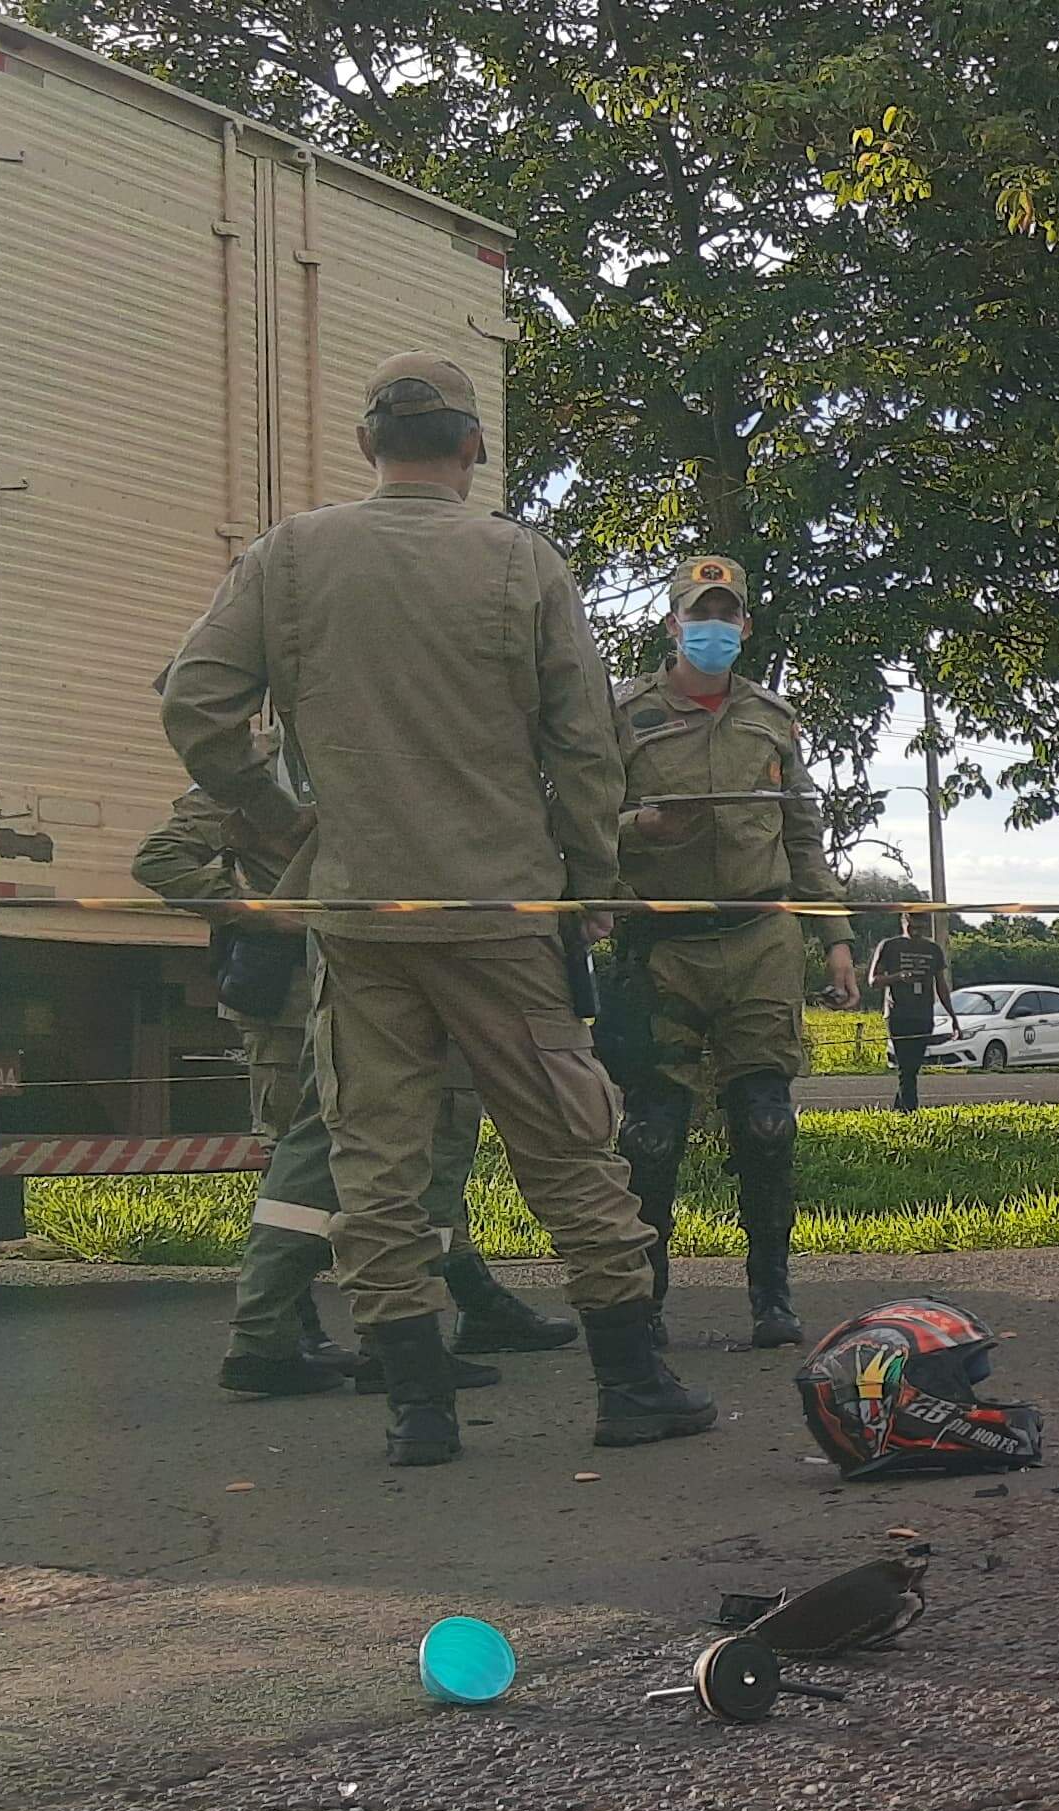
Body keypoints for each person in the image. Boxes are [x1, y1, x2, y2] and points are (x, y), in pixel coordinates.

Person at [159, 351, 710, 1467]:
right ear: (472, 446)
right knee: (568, 1146)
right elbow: (584, 744)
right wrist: (587, 882)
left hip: (358, 918)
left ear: (369, 444)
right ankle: (630, 1382)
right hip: (504, 911)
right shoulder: (522, 563)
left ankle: (418, 1407)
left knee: (374, 1162)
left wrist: (284, 827)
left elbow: (197, 705)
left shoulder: (292, 556)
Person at [134, 782, 576, 1398]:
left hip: (368, 976)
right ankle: (372, 1337)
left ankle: (306, 1332)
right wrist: (256, 910)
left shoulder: (359, 749)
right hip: (348, 983)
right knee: (383, 1156)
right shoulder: (272, 767)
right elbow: (161, 858)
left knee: (350, 1157)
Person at [604, 552, 860, 1348]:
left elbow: (802, 832)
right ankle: (643, 1304)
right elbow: (576, 826)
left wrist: (838, 938)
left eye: (726, 615)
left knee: (766, 1123)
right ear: (672, 623)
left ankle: (772, 1297)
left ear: (745, 626)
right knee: (653, 1132)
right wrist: (637, 830)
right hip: (659, 947)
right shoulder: (621, 714)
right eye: (697, 614)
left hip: (759, 938)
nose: (711, 629)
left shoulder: (772, 719)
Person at [871, 908, 952, 1114]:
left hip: (924, 1014)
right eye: (911, 927)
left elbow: (941, 984)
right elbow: (874, 981)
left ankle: (900, 1111)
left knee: (912, 1067)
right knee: (906, 1066)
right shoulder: (889, 946)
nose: (915, 931)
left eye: (920, 928)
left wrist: (952, 1016)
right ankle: (910, 1111)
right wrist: (898, 977)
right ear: (903, 922)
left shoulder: (933, 950)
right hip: (898, 1014)